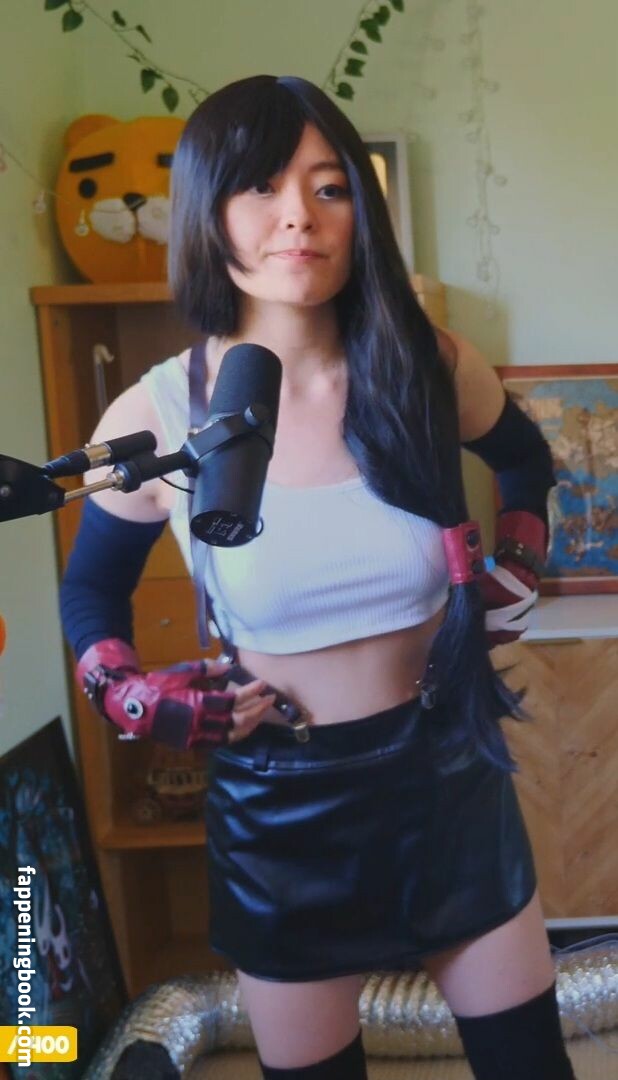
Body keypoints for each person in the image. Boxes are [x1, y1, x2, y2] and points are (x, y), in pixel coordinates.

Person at [60, 75, 576, 1079]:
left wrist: (517, 559)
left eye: (329, 186)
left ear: (360, 214)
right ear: (209, 212)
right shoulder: (159, 415)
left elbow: (525, 461)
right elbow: (90, 593)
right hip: (279, 809)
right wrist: (130, 694)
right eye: (261, 185)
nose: (298, 214)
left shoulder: (427, 366)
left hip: (447, 775)